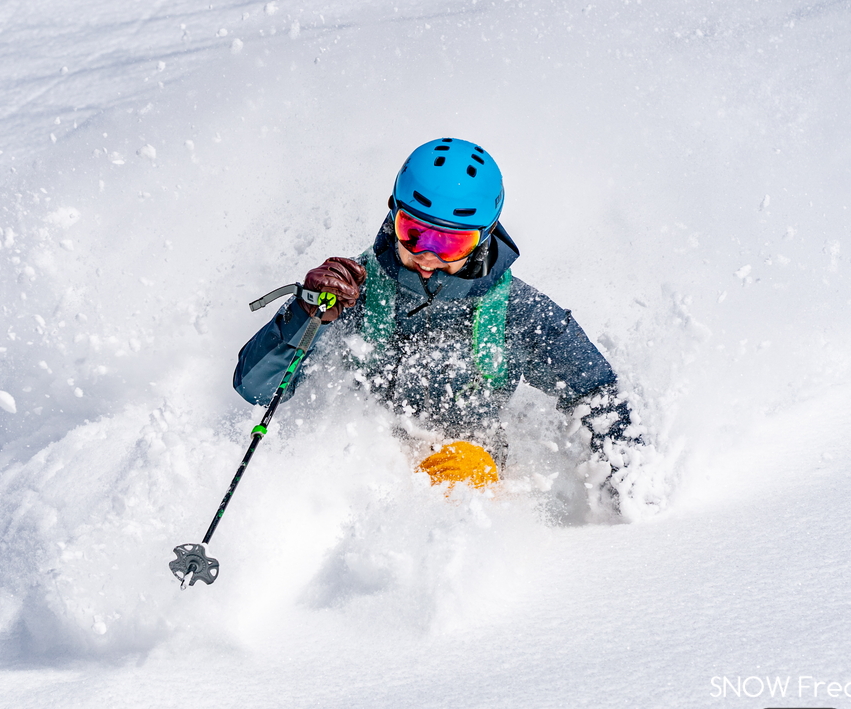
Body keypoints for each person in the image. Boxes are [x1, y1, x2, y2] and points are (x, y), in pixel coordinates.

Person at [233, 137, 647, 511]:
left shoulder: (520, 313)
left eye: (450, 242)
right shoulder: (353, 292)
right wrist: (306, 315)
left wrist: (629, 490)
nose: (428, 255)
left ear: (483, 238)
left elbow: (596, 392)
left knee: (465, 466)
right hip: (358, 464)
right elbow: (256, 389)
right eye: (413, 232)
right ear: (393, 216)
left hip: (468, 474)